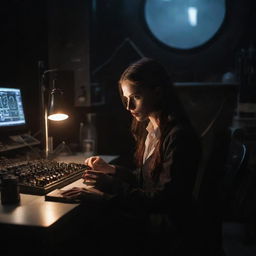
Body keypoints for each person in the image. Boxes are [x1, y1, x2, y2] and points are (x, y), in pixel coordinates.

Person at [61, 57, 202, 255]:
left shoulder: (179, 136)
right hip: (153, 220)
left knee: (85, 229)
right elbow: (148, 180)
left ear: (157, 92)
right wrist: (112, 170)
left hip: (164, 230)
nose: (128, 106)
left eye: (135, 97)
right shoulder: (152, 129)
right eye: (126, 98)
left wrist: (107, 188)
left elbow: (161, 200)